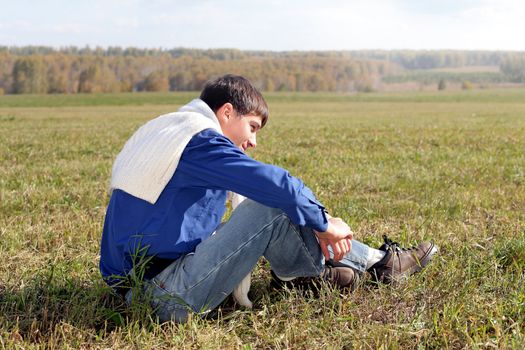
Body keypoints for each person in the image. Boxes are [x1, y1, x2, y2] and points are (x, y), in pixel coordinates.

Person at [99, 74, 438, 322]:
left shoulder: (169, 131)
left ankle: (306, 274)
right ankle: (378, 265)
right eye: (252, 127)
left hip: (137, 288)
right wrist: (323, 224)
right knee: (273, 204)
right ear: (227, 112)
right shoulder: (199, 141)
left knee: (271, 205)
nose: (253, 142)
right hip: (163, 296)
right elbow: (277, 185)